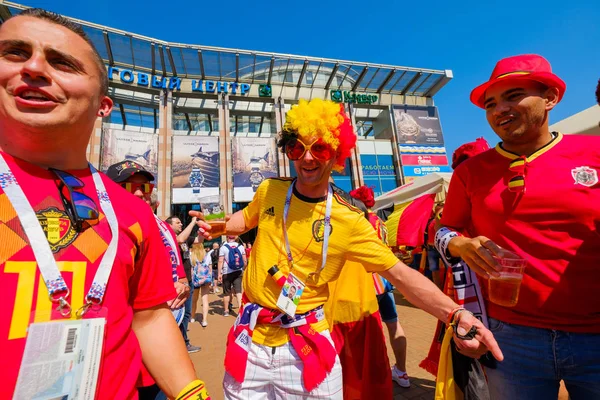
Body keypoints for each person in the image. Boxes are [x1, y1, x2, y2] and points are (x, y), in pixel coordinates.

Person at [193, 98, 502, 399]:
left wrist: (456, 313)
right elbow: (245, 219)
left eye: (320, 148)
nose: (307, 158)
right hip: (251, 339)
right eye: (297, 147)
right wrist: (221, 226)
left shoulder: (350, 221)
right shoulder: (270, 190)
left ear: (337, 154)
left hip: (305, 346)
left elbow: (401, 275)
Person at [0, 8, 209, 400]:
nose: (33, 67)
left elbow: (148, 317)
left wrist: (192, 393)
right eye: (13, 52)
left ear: (103, 105)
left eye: (62, 63)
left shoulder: (130, 212)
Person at [439, 54, 600, 399]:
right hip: (510, 339)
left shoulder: (594, 152)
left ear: (551, 98)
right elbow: (442, 231)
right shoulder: (470, 172)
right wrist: (460, 245)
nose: (500, 109)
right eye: (491, 103)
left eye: (514, 95)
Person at [106, 160, 191, 399]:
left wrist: (182, 287)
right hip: (121, 351)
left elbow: (180, 273)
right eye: (128, 186)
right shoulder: (98, 227)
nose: (138, 193)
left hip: (163, 342)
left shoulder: (161, 228)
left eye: (144, 188)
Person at [167, 215, 202, 353]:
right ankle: (180, 344)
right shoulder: (169, 238)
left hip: (188, 281)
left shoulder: (186, 238)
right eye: (178, 222)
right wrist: (193, 222)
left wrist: (202, 230)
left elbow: (199, 240)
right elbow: (179, 239)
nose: (181, 224)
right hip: (177, 283)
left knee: (186, 313)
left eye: (181, 222)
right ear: (169, 225)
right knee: (177, 314)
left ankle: (183, 341)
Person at [218, 235, 247, 317]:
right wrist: (244, 267)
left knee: (226, 292)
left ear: (227, 237)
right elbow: (245, 260)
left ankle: (226, 311)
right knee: (238, 292)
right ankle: (240, 311)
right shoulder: (240, 246)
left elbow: (220, 261)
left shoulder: (223, 247)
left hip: (227, 272)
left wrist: (219, 273)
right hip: (238, 271)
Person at [191, 242, 212, 327]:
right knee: (205, 300)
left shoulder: (192, 256)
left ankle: (192, 317)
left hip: (195, 280)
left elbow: (191, 269)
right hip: (205, 279)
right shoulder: (207, 255)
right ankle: (204, 320)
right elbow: (210, 269)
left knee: (194, 299)